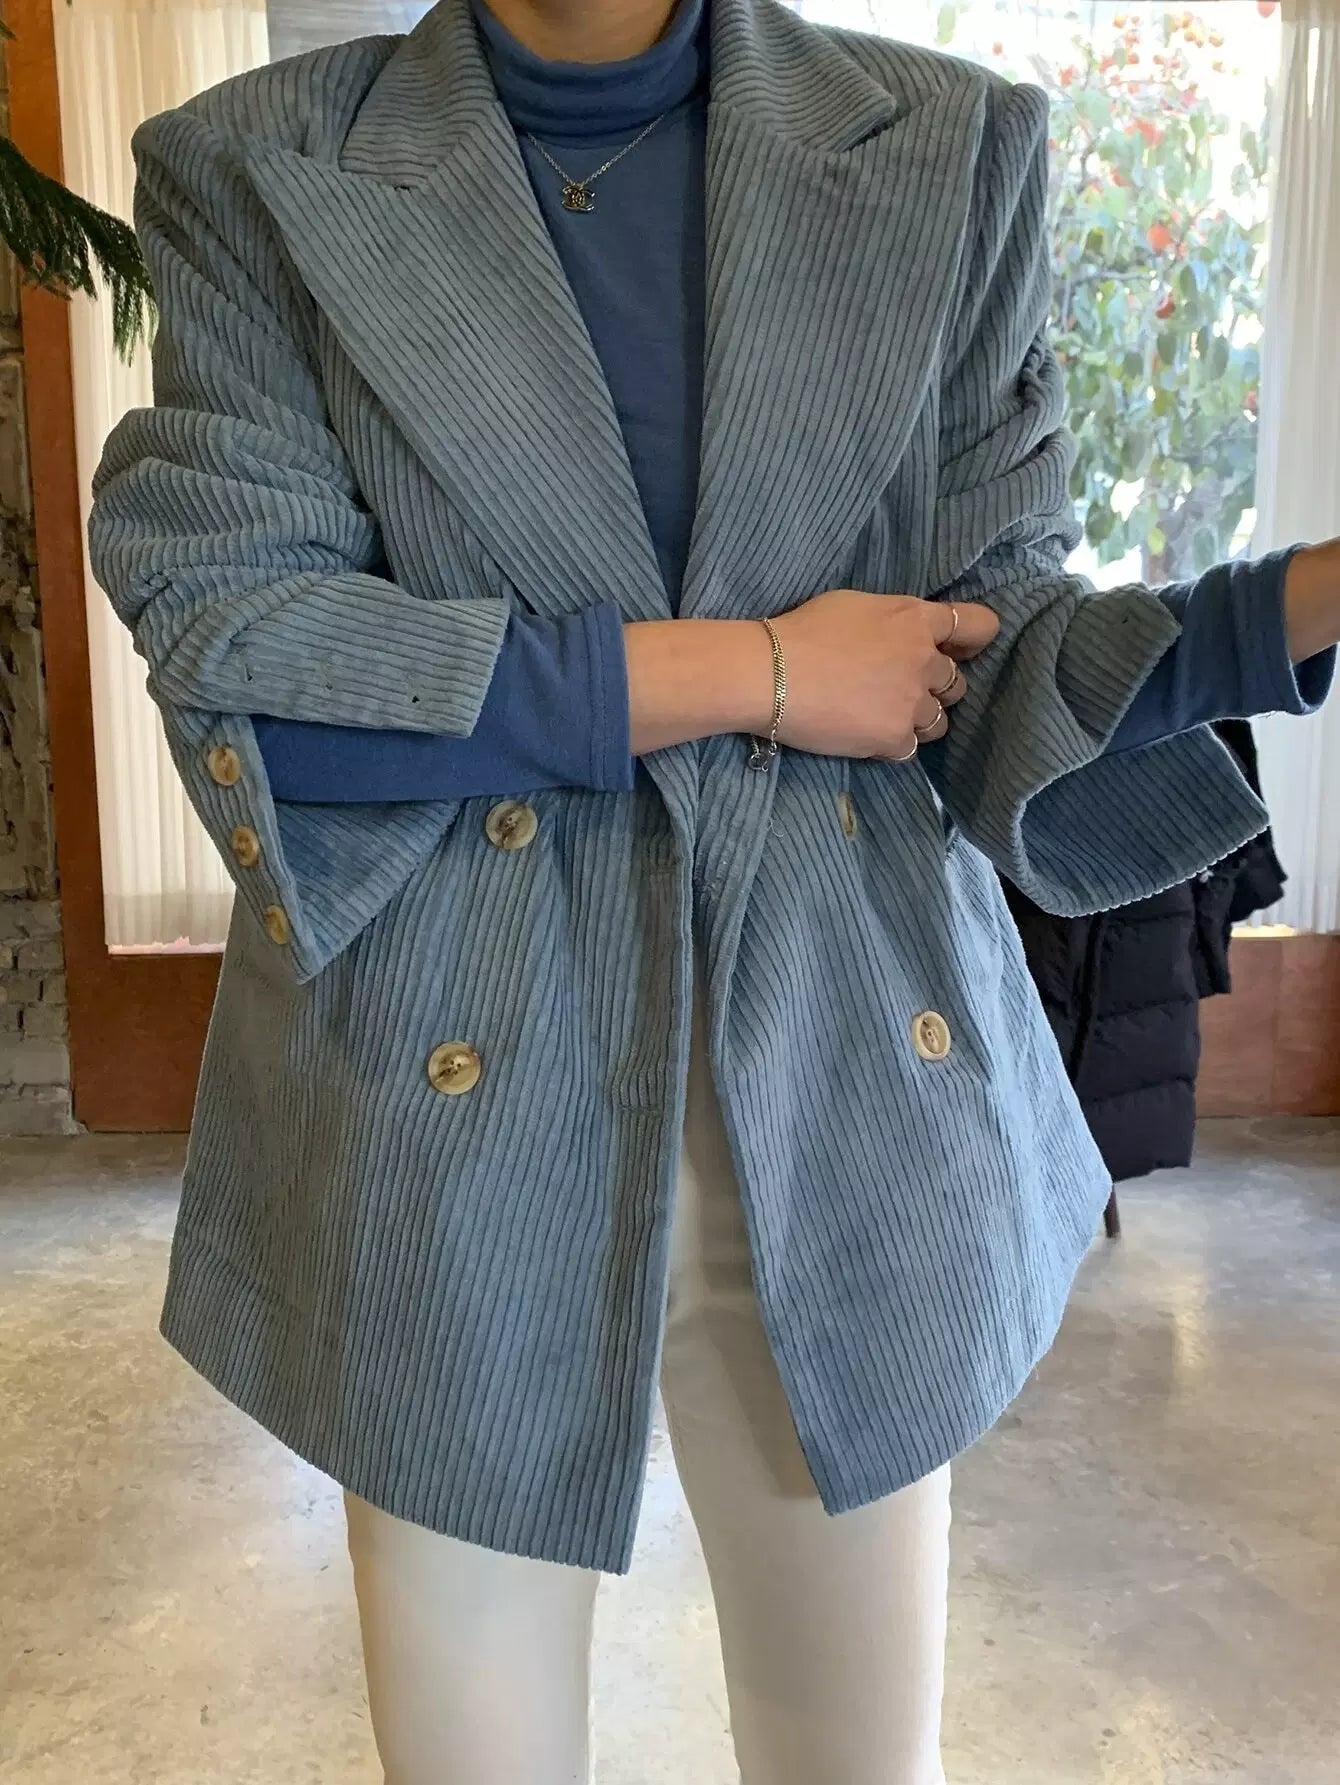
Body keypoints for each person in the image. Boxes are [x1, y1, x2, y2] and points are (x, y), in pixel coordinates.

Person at [88, 0, 1340, 1779]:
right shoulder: (258, 166)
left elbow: (984, 649)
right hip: (447, 1132)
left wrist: (1285, 608)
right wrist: (758, 670)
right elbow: (259, 672)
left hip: (849, 1095)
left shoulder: (948, 147)